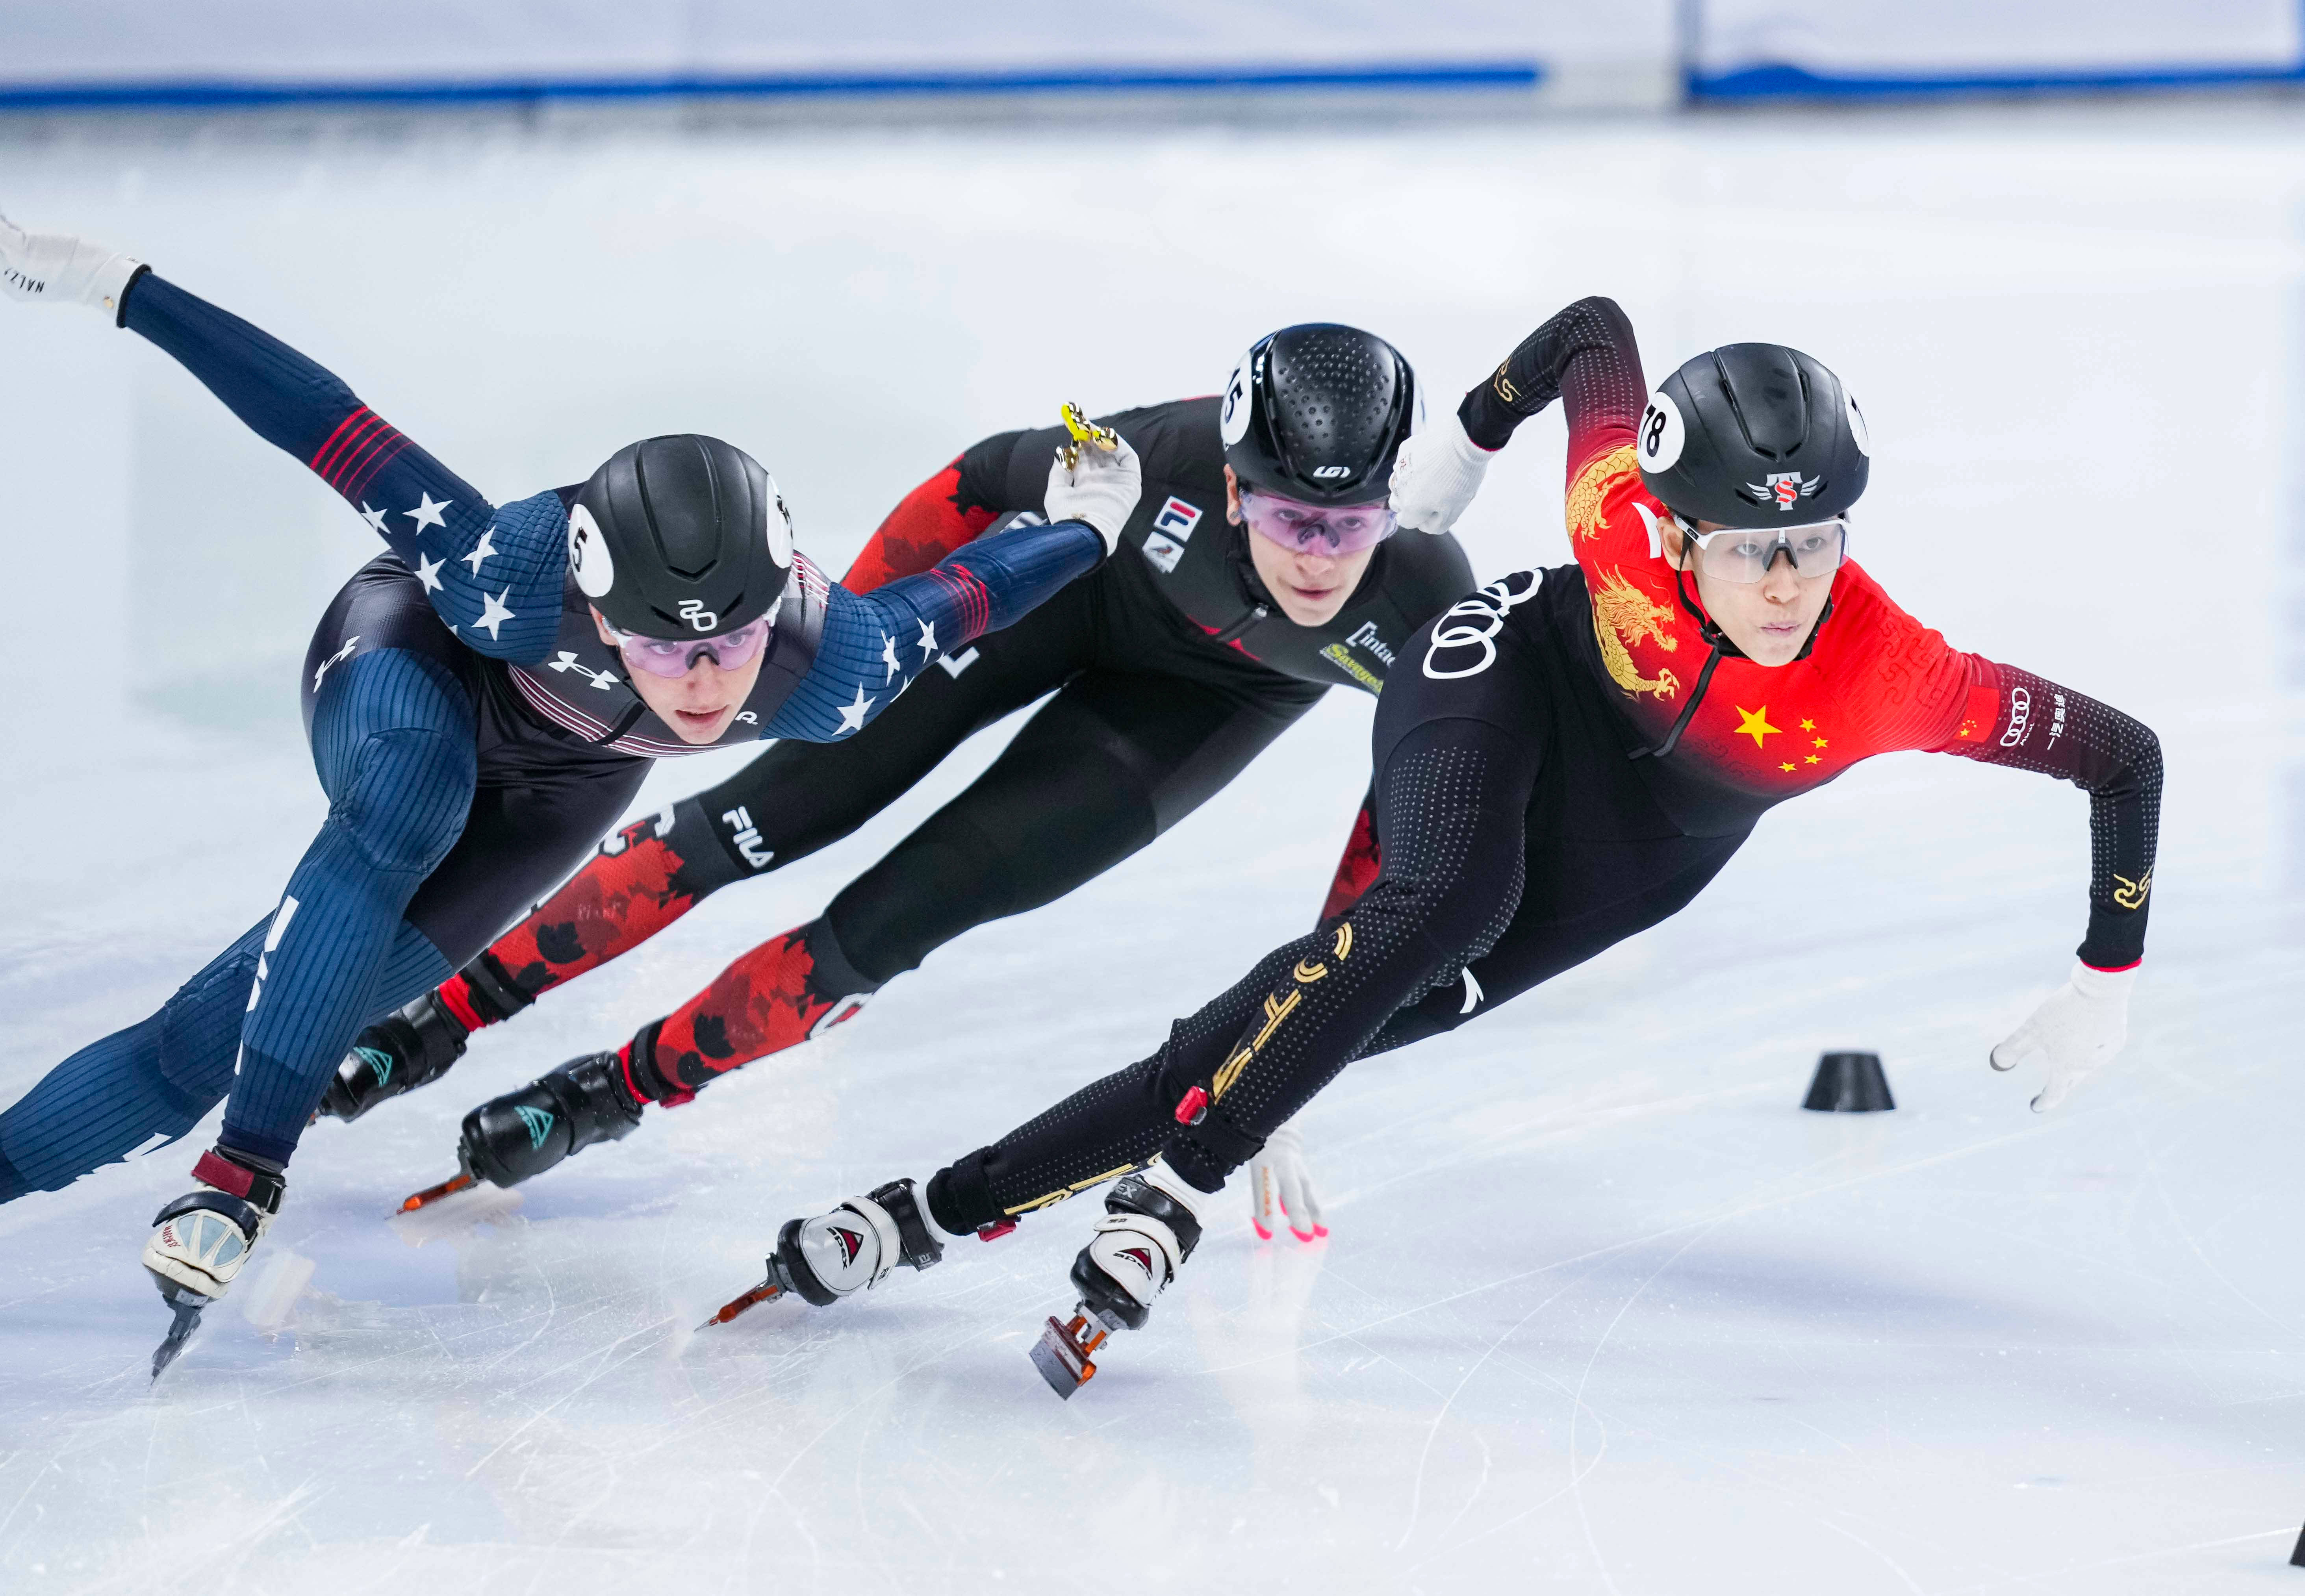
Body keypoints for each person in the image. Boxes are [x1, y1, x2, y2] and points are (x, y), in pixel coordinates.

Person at [716, 296, 2163, 1396]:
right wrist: (1470, 439)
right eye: (1741, 545)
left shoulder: (1898, 675)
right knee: (1445, 902)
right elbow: (1593, 338)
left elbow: (2125, 758)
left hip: (1646, 840)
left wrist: (2108, 975)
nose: (1784, 584)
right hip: (1501, 673)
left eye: (1815, 545)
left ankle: (922, 1211)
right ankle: (1186, 1183)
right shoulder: (1610, 521)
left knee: (1287, 1031)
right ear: (1668, 528)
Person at [0, 213, 1140, 1360]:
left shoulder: (834, 663)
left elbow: (974, 590)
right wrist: (122, 289)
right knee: (409, 804)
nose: (700, 682)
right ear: (595, 607)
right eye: (658, 645)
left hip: (570, 779)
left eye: (731, 643)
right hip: (418, 667)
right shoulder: (508, 569)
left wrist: (1087, 529)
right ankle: (243, 1170)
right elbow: (324, 423)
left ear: (777, 607)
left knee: (213, 1040)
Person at [327, 324, 1474, 1248]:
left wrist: (1300, 1036)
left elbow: (1401, 830)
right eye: (1288, 517)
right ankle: (444, 1014)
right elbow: (975, 484)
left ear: (1398, 504)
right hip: (1059, 604)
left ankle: (613, 1095)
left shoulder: (1423, 595)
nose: (1321, 556)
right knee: (764, 815)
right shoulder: (1154, 457)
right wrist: (849, 648)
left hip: (1189, 718)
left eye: (1352, 524)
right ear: (1230, 490)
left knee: (899, 921)